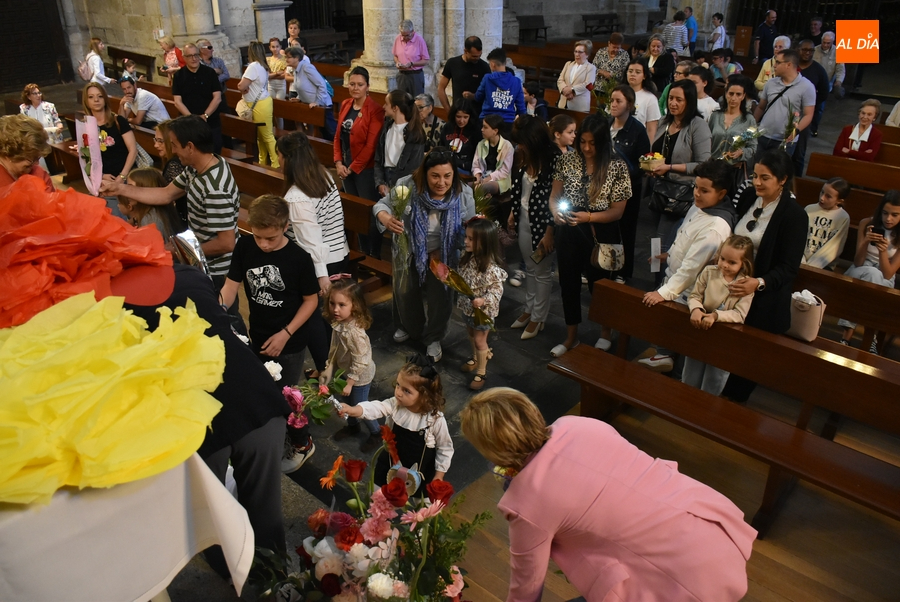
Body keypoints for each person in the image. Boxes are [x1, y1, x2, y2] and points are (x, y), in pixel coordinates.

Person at [460, 388, 756, 602]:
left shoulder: (526, 502)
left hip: (677, 582)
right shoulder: (578, 425)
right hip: (710, 532)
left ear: (492, 451)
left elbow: (526, 589)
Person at [125, 263, 293, 567]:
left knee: (210, 513)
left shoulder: (104, 303)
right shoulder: (187, 274)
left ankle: (231, 572)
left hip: (195, 415)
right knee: (265, 507)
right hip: (253, 394)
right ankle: (277, 580)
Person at [219, 194, 322, 471]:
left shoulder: (299, 258)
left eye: (271, 239)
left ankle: (303, 442)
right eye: (258, 237)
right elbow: (231, 285)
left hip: (289, 340)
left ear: (285, 226)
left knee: (288, 397)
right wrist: (216, 308)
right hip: (259, 333)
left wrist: (286, 334)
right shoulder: (245, 246)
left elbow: (311, 301)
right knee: (266, 391)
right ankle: (278, 438)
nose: (263, 244)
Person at [99, 115, 241, 296]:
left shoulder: (214, 188)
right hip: (201, 260)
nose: (172, 151)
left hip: (217, 271)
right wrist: (119, 188)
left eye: (174, 144)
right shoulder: (197, 167)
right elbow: (166, 194)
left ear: (190, 146)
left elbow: (226, 243)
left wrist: (179, 249)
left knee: (223, 315)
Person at [720, 150, 807, 403]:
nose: (756, 182)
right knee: (723, 350)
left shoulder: (794, 215)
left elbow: (789, 267)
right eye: (755, 176)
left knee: (747, 360)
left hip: (764, 299)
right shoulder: (748, 197)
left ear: (782, 180)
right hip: (731, 288)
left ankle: (731, 404)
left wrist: (757, 282)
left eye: (764, 178)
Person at [373, 148, 476, 361]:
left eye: (447, 176)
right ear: (424, 173)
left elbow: (468, 229)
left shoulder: (463, 193)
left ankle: (434, 337)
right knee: (405, 291)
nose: (441, 182)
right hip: (409, 248)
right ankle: (410, 327)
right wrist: (385, 217)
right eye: (435, 176)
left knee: (441, 298)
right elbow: (381, 206)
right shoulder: (407, 185)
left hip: (444, 253)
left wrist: (441, 250)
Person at [640, 159, 738, 373]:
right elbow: (687, 236)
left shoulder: (716, 227)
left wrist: (664, 292)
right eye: (696, 187)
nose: (696, 194)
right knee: (667, 333)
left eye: (704, 190)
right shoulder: (702, 206)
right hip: (676, 279)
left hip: (689, 293)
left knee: (680, 338)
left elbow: (693, 268)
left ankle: (671, 368)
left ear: (721, 194)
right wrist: (671, 254)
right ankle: (665, 355)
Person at [550, 114, 631, 356]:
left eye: (592, 143)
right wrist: (555, 212)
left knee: (601, 286)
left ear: (603, 141)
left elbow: (618, 211)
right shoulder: (567, 160)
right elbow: (555, 196)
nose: (586, 148)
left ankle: (606, 332)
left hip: (601, 230)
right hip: (570, 229)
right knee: (568, 284)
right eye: (582, 141)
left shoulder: (616, 165)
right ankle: (571, 336)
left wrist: (590, 217)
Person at [340, 355, 453, 494]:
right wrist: (352, 410)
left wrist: (439, 476)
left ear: (424, 396)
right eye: (398, 385)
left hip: (418, 471)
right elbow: (377, 407)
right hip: (390, 463)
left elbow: (445, 448)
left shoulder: (434, 420)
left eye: (406, 391)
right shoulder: (395, 405)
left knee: (418, 507)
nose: (398, 393)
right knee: (377, 496)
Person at [277, 130, 349, 293]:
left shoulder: (297, 196)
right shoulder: (323, 174)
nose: (277, 161)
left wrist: (322, 277)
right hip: (339, 253)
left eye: (279, 156)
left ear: (289, 160)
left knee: (320, 314)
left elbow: (310, 240)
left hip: (321, 265)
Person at [682, 235, 756, 394]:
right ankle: (685, 403)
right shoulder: (709, 272)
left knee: (714, 378)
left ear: (744, 263)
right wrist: (696, 309)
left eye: (732, 262)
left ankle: (705, 411)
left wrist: (715, 316)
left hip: (724, 336)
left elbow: (739, 314)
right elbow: (695, 295)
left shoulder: (745, 285)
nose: (725, 265)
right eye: (722, 258)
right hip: (700, 328)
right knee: (691, 374)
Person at [647, 79, 712, 258]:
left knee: (663, 243)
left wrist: (669, 167)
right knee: (655, 241)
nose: (673, 103)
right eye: (670, 98)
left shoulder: (698, 125)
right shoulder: (664, 122)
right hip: (659, 188)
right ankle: (656, 281)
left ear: (689, 101)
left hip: (681, 192)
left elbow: (703, 164)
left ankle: (662, 283)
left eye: (679, 99)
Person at [508, 115, 556, 339]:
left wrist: (550, 231)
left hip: (544, 222)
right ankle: (529, 309)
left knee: (542, 272)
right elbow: (518, 188)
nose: (519, 146)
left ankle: (539, 317)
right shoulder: (523, 156)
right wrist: (512, 212)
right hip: (523, 217)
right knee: (530, 267)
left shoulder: (554, 160)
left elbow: (558, 200)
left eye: (522, 142)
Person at [320, 278, 381, 451]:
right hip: (346, 371)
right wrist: (329, 368)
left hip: (359, 376)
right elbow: (335, 347)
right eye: (332, 303)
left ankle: (376, 432)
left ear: (354, 305)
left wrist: (350, 382)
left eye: (341, 305)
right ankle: (353, 426)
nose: (335, 309)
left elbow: (362, 359)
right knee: (346, 401)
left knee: (360, 406)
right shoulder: (340, 323)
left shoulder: (355, 333)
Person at [837, 190, 900, 352]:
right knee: (870, 274)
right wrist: (865, 241)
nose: (888, 219)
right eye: (885, 213)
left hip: (884, 277)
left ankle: (847, 335)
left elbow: (888, 273)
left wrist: (883, 251)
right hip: (859, 270)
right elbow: (857, 262)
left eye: (895, 215)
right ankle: (870, 336)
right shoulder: (867, 223)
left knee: (876, 275)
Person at [335, 66, 385, 256]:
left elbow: (371, 146)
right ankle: (362, 251)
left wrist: (352, 168)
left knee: (368, 212)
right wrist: (339, 163)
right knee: (355, 211)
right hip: (346, 167)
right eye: (352, 84)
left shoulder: (375, 110)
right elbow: (338, 137)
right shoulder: (346, 104)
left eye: (360, 85)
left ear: (367, 87)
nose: (355, 88)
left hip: (365, 170)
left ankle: (374, 253)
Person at [457, 217, 507, 390]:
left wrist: (484, 300)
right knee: (470, 332)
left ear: (484, 242)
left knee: (480, 340)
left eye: (471, 239)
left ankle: (481, 371)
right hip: (468, 307)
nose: (466, 241)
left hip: (483, 311)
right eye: (466, 237)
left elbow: (497, 291)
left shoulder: (492, 269)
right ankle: (477, 357)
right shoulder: (467, 258)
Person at [609, 85, 651, 280]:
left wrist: (620, 176)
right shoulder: (607, 123)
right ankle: (604, 265)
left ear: (630, 105)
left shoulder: (637, 130)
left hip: (627, 189)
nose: (614, 104)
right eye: (612, 100)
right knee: (605, 230)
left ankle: (623, 272)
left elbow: (642, 164)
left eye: (619, 101)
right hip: (604, 187)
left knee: (625, 232)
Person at [83, 83, 138, 216]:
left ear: (105, 99)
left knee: (126, 217)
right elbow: (86, 157)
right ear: (86, 101)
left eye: (100, 96)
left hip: (125, 176)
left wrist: (122, 176)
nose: (96, 100)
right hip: (102, 182)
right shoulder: (85, 126)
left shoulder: (117, 120)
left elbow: (133, 150)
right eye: (91, 97)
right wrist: (100, 176)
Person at [754, 49, 816, 159]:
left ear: (788, 65)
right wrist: (752, 127)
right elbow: (761, 107)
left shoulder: (807, 87)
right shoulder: (771, 83)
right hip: (762, 136)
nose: (774, 65)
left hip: (784, 140)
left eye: (778, 62)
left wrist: (795, 131)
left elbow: (808, 115)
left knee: (776, 172)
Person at [172, 43, 223, 153]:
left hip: (210, 122)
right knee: (190, 155)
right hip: (187, 124)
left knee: (214, 153)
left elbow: (217, 97)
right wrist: (192, 119)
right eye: (190, 56)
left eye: (196, 55)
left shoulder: (209, 73)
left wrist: (205, 116)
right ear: (184, 57)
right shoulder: (178, 76)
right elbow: (177, 102)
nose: (194, 58)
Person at [375, 90, 426, 199]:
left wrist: (394, 187)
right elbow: (378, 158)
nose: (383, 106)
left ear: (395, 108)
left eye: (387, 104)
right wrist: (380, 183)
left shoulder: (415, 133)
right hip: (385, 178)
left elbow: (413, 166)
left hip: (404, 183)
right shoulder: (386, 128)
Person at [709, 78, 758, 188]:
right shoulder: (715, 116)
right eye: (731, 94)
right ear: (726, 94)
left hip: (734, 169)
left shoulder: (749, 120)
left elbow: (753, 147)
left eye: (738, 94)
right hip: (714, 166)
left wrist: (742, 152)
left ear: (743, 96)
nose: (734, 98)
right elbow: (708, 140)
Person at [238, 41, 278, 168]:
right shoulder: (262, 65)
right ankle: (262, 162)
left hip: (259, 104)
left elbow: (241, 85)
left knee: (267, 136)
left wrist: (243, 87)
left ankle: (277, 165)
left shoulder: (253, 66)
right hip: (262, 102)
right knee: (261, 137)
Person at [793, 39, 830, 174]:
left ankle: (797, 180)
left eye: (811, 50)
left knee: (799, 151)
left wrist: (810, 104)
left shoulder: (818, 70)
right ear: (798, 50)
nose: (807, 53)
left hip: (804, 115)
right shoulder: (792, 66)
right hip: (787, 111)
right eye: (804, 50)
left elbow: (824, 92)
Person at [284, 47, 336, 141]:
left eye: (288, 57)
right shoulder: (296, 69)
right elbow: (304, 86)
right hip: (313, 107)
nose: (286, 59)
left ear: (296, 58)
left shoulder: (306, 67)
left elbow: (321, 84)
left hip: (323, 106)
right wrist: (300, 98)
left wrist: (318, 102)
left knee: (332, 133)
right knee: (324, 135)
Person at [116, 167, 185, 238]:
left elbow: (152, 248)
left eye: (131, 187)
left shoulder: (150, 220)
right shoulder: (144, 215)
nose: (127, 192)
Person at [802, 177, 851, 269]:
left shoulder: (843, 217)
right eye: (822, 192)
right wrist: (801, 260)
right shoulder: (809, 209)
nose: (822, 198)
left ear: (839, 201)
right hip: (801, 259)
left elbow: (833, 247)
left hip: (824, 264)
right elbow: (798, 237)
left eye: (828, 196)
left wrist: (811, 266)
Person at [474, 48, 526, 132]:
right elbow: (521, 107)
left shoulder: (487, 78)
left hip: (487, 120)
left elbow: (478, 97)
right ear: (505, 62)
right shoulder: (516, 81)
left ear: (493, 64)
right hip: (507, 122)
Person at [0, 114, 54, 192]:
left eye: (38, 158)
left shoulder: (40, 175)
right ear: (8, 154)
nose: (36, 163)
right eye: (32, 159)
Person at [437, 36, 490, 111]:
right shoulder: (452, 63)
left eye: (479, 55)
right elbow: (441, 88)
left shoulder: (484, 67)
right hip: (458, 111)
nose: (477, 59)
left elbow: (488, 92)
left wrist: (474, 96)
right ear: (466, 51)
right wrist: (448, 111)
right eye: (474, 56)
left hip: (477, 113)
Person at [152, 121, 188, 222]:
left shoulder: (174, 164)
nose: (155, 145)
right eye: (155, 140)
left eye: (160, 141)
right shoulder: (177, 161)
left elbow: (167, 197)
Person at [472, 114, 514, 196]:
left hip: (500, 180)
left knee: (484, 188)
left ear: (495, 131)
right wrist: (477, 178)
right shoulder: (481, 144)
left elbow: (504, 171)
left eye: (485, 127)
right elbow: (476, 166)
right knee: (465, 186)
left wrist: (488, 178)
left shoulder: (507, 146)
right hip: (482, 178)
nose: (482, 130)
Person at [440, 98, 481, 173]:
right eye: (458, 117)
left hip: (465, 168)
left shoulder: (476, 130)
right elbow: (441, 147)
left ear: (470, 116)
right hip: (446, 165)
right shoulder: (447, 127)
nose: (461, 121)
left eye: (465, 117)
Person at [556, 40, 598, 113]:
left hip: (580, 106)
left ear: (587, 54)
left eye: (580, 52)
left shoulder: (590, 68)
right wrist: (565, 90)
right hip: (564, 103)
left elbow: (588, 84)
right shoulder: (568, 64)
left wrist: (572, 90)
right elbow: (560, 80)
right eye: (575, 51)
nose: (577, 54)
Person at [393, 19, 430, 97]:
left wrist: (412, 64)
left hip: (415, 75)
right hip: (402, 75)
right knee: (402, 100)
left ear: (412, 31)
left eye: (407, 35)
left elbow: (426, 60)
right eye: (403, 35)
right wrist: (397, 62)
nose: (405, 37)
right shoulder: (398, 39)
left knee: (416, 100)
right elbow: (395, 55)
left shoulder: (419, 40)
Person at [625, 59, 660, 141]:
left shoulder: (650, 99)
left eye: (637, 72)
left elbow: (651, 129)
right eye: (630, 71)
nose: (633, 74)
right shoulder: (618, 93)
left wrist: (649, 151)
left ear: (644, 76)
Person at [267, 38, 288, 131]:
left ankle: (280, 130)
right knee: (270, 109)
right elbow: (266, 75)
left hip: (281, 86)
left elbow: (284, 75)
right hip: (270, 86)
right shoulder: (268, 60)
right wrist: (277, 73)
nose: (275, 49)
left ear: (280, 47)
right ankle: (272, 130)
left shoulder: (285, 59)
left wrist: (272, 75)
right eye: (273, 47)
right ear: (270, 48)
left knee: (279, 110)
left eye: (277, 46)